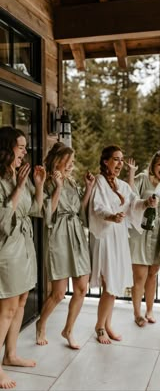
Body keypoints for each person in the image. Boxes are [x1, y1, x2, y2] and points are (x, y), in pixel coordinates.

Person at [88, 145, 157, 344]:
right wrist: (111, 216)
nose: (119, 163)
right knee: (110, 282)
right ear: (105, 161)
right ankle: (100, 326)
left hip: (119, 237)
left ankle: (107, 324)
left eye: (121, 160)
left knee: (115, 281)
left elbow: (134, 203)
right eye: (115, 159)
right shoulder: (100, 181)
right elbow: (97, 207)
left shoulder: (122, 185)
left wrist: (147, 203)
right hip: (106, 235)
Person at [36, 142, 95, 349]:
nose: (72, 165)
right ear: (59, 161)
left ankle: (68, 330)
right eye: (69, 161)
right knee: (59, 293)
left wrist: (87, 189)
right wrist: (58, 188)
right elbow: (47, 213)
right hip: (58, 236)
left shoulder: (71, 181)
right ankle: (41, 323)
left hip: (76, 234)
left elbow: (80, 210)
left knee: (81, 287)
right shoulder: (47, 181)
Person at [0, 126, 46, 389]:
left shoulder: (18, 175)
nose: (25, 152)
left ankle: (11, 354)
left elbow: (35, 210)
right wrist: (18, 187)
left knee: (21, 301)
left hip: (24, 248)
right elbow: (3, 220)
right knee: (6, 310)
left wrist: (36, 186)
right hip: (7, 250)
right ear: (7, 149)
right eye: (21, 147)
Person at [127, 151, 160, 327]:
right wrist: (131, 174)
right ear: (153, 165)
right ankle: (137, 313)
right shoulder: (142, 178)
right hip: (141, 231)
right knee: (140, 275)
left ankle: (149, 310)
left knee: (153, 273)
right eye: (159, 164)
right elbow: (131, 197)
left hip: (158, 232)